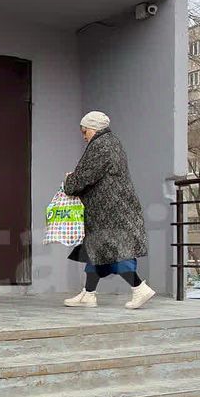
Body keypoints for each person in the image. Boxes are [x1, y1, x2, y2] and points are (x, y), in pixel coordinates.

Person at [61, 111, 155, 310]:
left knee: (116, 252)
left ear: (93, 128)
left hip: (109, 211)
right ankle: (88, 294)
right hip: (111, 209)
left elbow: (85, 176)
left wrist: (69, 180)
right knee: (96, 251)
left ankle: (139, 288)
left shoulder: (101, 145)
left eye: (84, 131)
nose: (83, 136)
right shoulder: (111, 142)